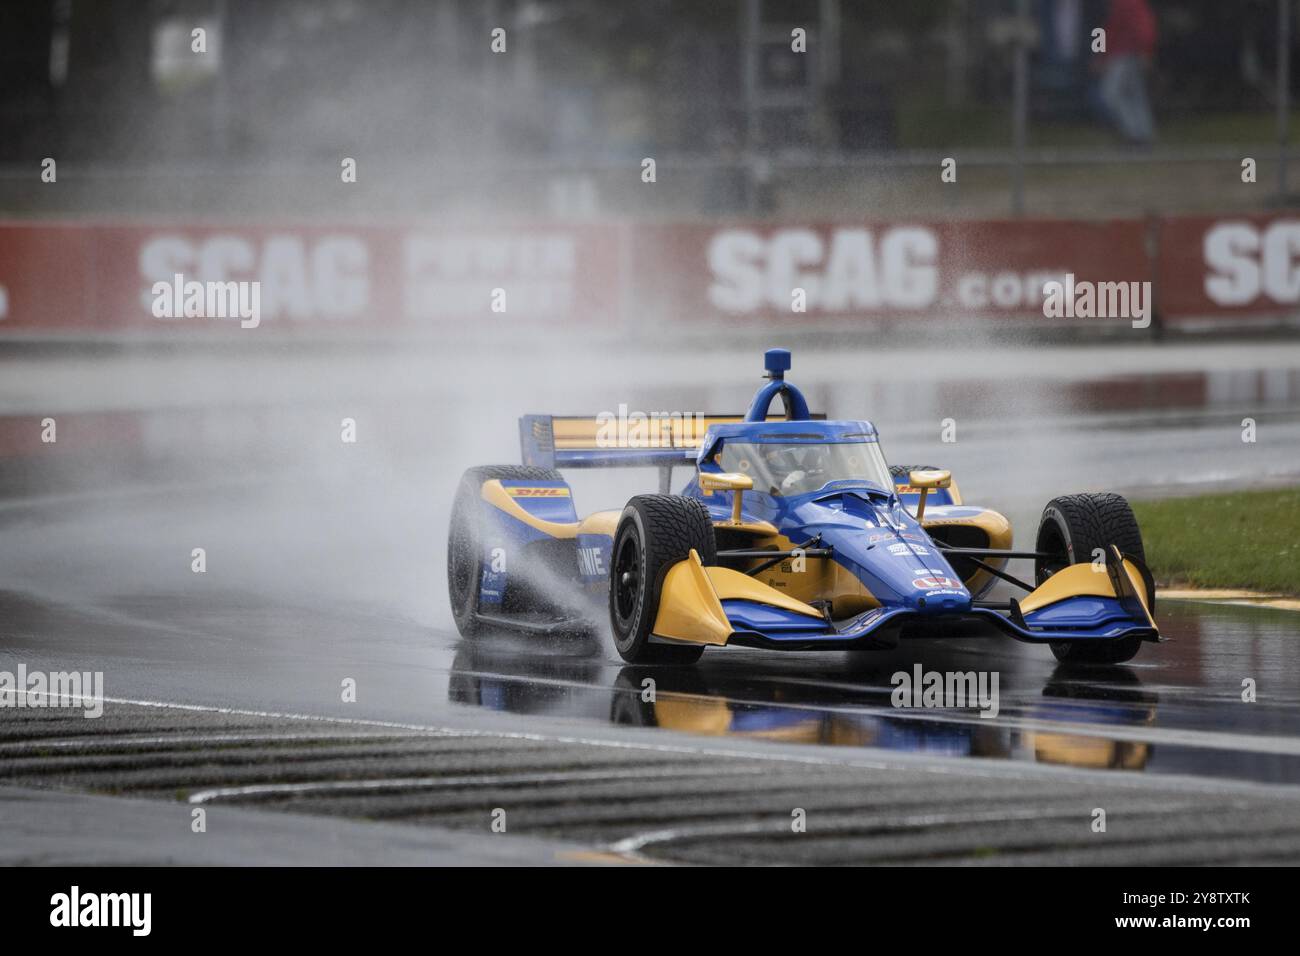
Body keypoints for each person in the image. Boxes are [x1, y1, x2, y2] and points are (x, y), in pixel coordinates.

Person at [1095, 0, 1157, 144]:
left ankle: (1135, 134)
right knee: (1134, 94)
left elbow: (1144, 25)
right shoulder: (1117, 4)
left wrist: (1145, 49)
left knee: (1111, 94)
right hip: (1122, 53)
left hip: (1126, 53)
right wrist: (1101, 55)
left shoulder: (1128, 2)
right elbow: (1107, 30)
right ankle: (1144, 133)